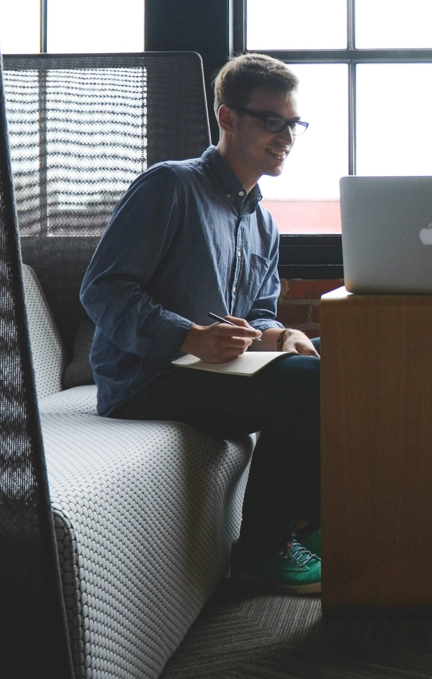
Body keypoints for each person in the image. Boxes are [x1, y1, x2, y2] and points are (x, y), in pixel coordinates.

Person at [80, 53, 325, 594]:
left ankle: (310, 521)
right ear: (228, 118)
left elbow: (258, 311)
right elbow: (102, 289)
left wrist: (279, 335)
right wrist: (188, 337)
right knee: (315, 384)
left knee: (338, 358)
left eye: (293, 124)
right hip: (147, 380)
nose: (286, 136)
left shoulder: (263, 222)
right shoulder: (169, 186)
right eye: (271, 121)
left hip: (217, 373)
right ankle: (263, 551)